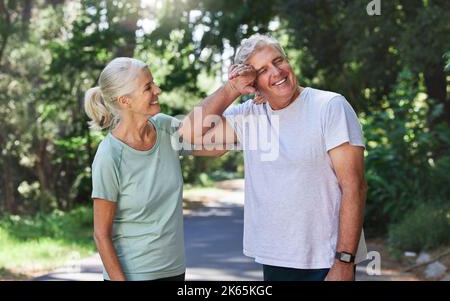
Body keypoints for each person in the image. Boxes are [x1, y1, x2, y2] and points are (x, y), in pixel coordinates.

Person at [180, 34, 368, 281]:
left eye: (279, 61)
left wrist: (344, 262)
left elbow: (354, 186)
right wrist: (231, 88)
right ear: (253, 83)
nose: (277, 72)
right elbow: (186, 136)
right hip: (275, 259)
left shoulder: (330, 106)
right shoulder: (250, 116)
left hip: (326, 259)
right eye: (262, 70)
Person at [84, 57, 224, 281]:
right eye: (148, 87)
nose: (157, 89)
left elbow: (217, 146)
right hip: (133, 275)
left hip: (174, 270)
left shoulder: (165, 128)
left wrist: (241, 93)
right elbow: (101, 235)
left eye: (153, 83)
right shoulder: (109, 156)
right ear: (125, 101)